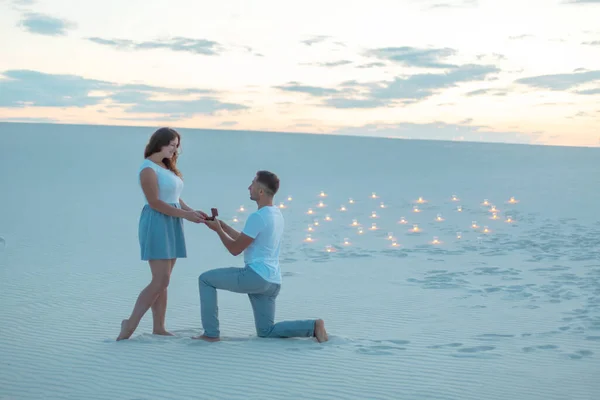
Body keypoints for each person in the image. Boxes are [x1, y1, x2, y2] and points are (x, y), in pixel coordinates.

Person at [192, 170, 329, 343]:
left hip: (255, 277)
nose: (249, 187)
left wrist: (218, 231)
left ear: (261, 191)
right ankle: (312, 326)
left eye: (253, 184)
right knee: (266, 331)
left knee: (205, 279)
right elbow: (246, 240)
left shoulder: (257, 217)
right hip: (272, 281)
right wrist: (223, 226)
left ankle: (210, 334)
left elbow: (235, 249)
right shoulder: (276, 214)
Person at [117, 127, 207, 341]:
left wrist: (191, 211)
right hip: (157, 221)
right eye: (172, 145)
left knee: (163, 280)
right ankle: (129, 325)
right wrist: (185, 215)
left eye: (177, 146)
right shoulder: (147, 169)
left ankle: (159, 327)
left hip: (173, 220)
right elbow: (155, 202)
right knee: (160, 279)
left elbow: (174, 197)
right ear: (159, 143)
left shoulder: (167, 167)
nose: (175, 150)